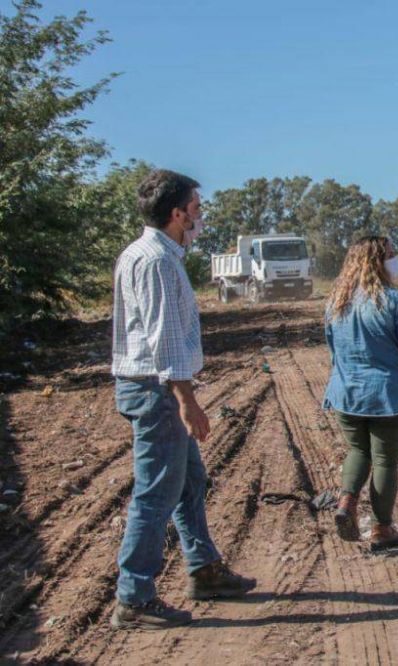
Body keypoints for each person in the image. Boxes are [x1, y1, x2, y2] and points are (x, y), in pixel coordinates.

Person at [110, 170, 256, 630]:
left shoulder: (151, 254)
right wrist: (186, 401)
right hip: (157, 391)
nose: (200, 215)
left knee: (191, 482)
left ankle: (203, 568)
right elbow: (164, 340)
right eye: (196, 208)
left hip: (155, 387)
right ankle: (134, 597)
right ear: (177, 214)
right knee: (155, 494)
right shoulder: (155, 260)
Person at [323, 235, 398, 551]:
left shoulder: (335, 303)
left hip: (346, 394)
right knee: (385, 460)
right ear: (376, 262)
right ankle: (381, 529)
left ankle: (346, 502)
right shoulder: (394, 301)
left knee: (358, 450)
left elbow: (334, 352)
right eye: (390, 254)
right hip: (389, 396)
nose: (395, 260)